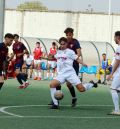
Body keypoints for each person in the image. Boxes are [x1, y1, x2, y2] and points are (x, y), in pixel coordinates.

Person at [49, 37, 98, 109]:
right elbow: (53, 57)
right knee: (52, 84)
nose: (62, 45)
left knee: (81, 89)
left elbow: (77, 58)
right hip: (61, 75)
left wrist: (83, 63)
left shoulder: (70, 52)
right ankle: (55, 104)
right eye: (61, 44)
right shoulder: (58, 52)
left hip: (70, 74)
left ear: (66, 44)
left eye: (64, 44)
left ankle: (91, 84)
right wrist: (45, 57)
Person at [107, 31, 120, 115]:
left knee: (113, 89)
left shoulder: (119, 48)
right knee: (118, 90)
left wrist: (111, 73)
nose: (114, 39)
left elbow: (118, 61)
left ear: (118, 38)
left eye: (114, 37)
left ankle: (117, 110)